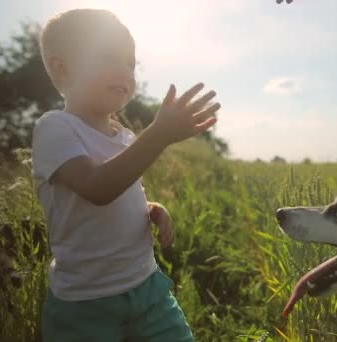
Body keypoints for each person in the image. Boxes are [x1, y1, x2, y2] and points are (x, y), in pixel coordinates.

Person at [32, 8, 219, 341]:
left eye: (130, 63)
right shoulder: (54, 128)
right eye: (107, 58)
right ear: (63, 69)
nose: (124, 71)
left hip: (147, 289)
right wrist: (159, 133)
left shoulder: (125, 137)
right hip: (86, 306)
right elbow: (97, 187)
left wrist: (149, 209)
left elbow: (120, 189)